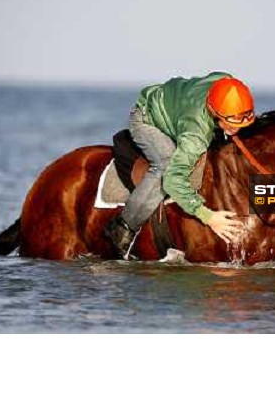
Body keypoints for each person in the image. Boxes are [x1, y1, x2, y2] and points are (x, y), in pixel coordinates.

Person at [103, 71, 256, 259]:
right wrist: (209, 217)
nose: (237, 128)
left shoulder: (226, 85)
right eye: (231, 124)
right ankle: (123, 225)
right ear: (215, 113)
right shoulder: (195, 134)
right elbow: (173, 181)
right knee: (166, 165)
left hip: (175, 105)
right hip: (146, 119)